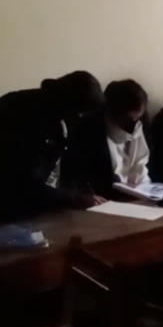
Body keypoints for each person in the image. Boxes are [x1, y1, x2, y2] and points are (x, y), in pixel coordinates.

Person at [0, 71, 106, 220]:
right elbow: (24, 183)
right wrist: (76, 199)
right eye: (80, 112)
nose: (80, 117)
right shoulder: (24, 116)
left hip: (33, 201)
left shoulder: (56, 109)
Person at [66, 80, 152, 200]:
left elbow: (142, 165)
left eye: (138, 117)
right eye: (129, 119)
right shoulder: (89, 130)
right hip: (104, 198)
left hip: (139, 193)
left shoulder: (142, 123)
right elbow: (87, 177)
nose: (134, 123)